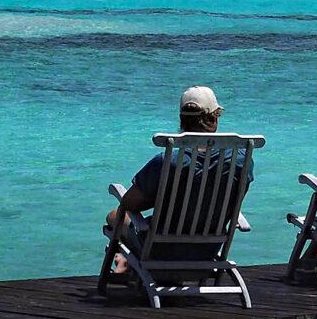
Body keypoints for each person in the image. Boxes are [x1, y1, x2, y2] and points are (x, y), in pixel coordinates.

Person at [105, 86, 246, 264]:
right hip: (208, 250)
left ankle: (129, 268)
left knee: (114, 215)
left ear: (182, 121)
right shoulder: (239, 161)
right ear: (214, 119)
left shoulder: (168, 161)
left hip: (159, 249)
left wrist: (160, 197)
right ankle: (129, 268)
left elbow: (129, 203)